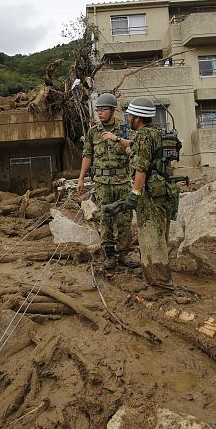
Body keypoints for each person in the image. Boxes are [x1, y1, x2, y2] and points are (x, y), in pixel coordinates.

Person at [103, 96, 177, 290]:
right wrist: (118, 139)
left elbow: (141, 169)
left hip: (150, 197)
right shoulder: (155, 134)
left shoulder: (144, 137)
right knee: (160, 235)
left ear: (137, 118)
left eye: (129, 115)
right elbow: (133, 148)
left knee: (152, 238)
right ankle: (158, 278)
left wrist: (134, 195)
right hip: (163, 193)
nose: (127, 119)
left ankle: (161, 285)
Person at [77, 93, 139, 270]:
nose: (100, 113)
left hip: (122, 181)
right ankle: (109, 255)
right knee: (105, 219)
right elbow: (87, 155)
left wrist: (117, 139)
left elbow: (134, 146)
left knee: (125, 218)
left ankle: (124, 255)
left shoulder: (124, 128)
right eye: (98, 109)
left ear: (112, 110)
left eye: (104, 109)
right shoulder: (93, 131)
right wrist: (81, 179)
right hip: (102, 183)